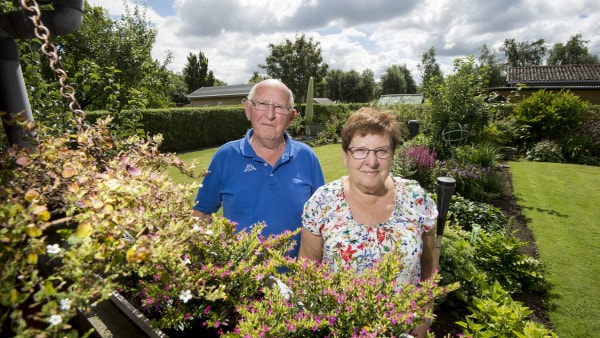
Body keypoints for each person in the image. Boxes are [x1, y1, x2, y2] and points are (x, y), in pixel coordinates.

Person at [298, 107, 438, 337]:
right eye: (360, 151)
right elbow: (306, 274)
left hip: (403, 331)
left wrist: (421, 326)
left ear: (392, 154)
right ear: (345, 156)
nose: (371, 161)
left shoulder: (417, 198)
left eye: (381, 151)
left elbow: (429, 267)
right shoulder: (322, 203)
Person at [193, 79, 325, 258]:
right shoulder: (225, 157)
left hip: (297, 280)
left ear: (292, 117)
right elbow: (201, 213)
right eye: (262, 104)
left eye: (279, 107)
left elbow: (323, 218)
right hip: (242, 281)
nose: (270, 115)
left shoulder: (307, 158)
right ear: (248, 109)